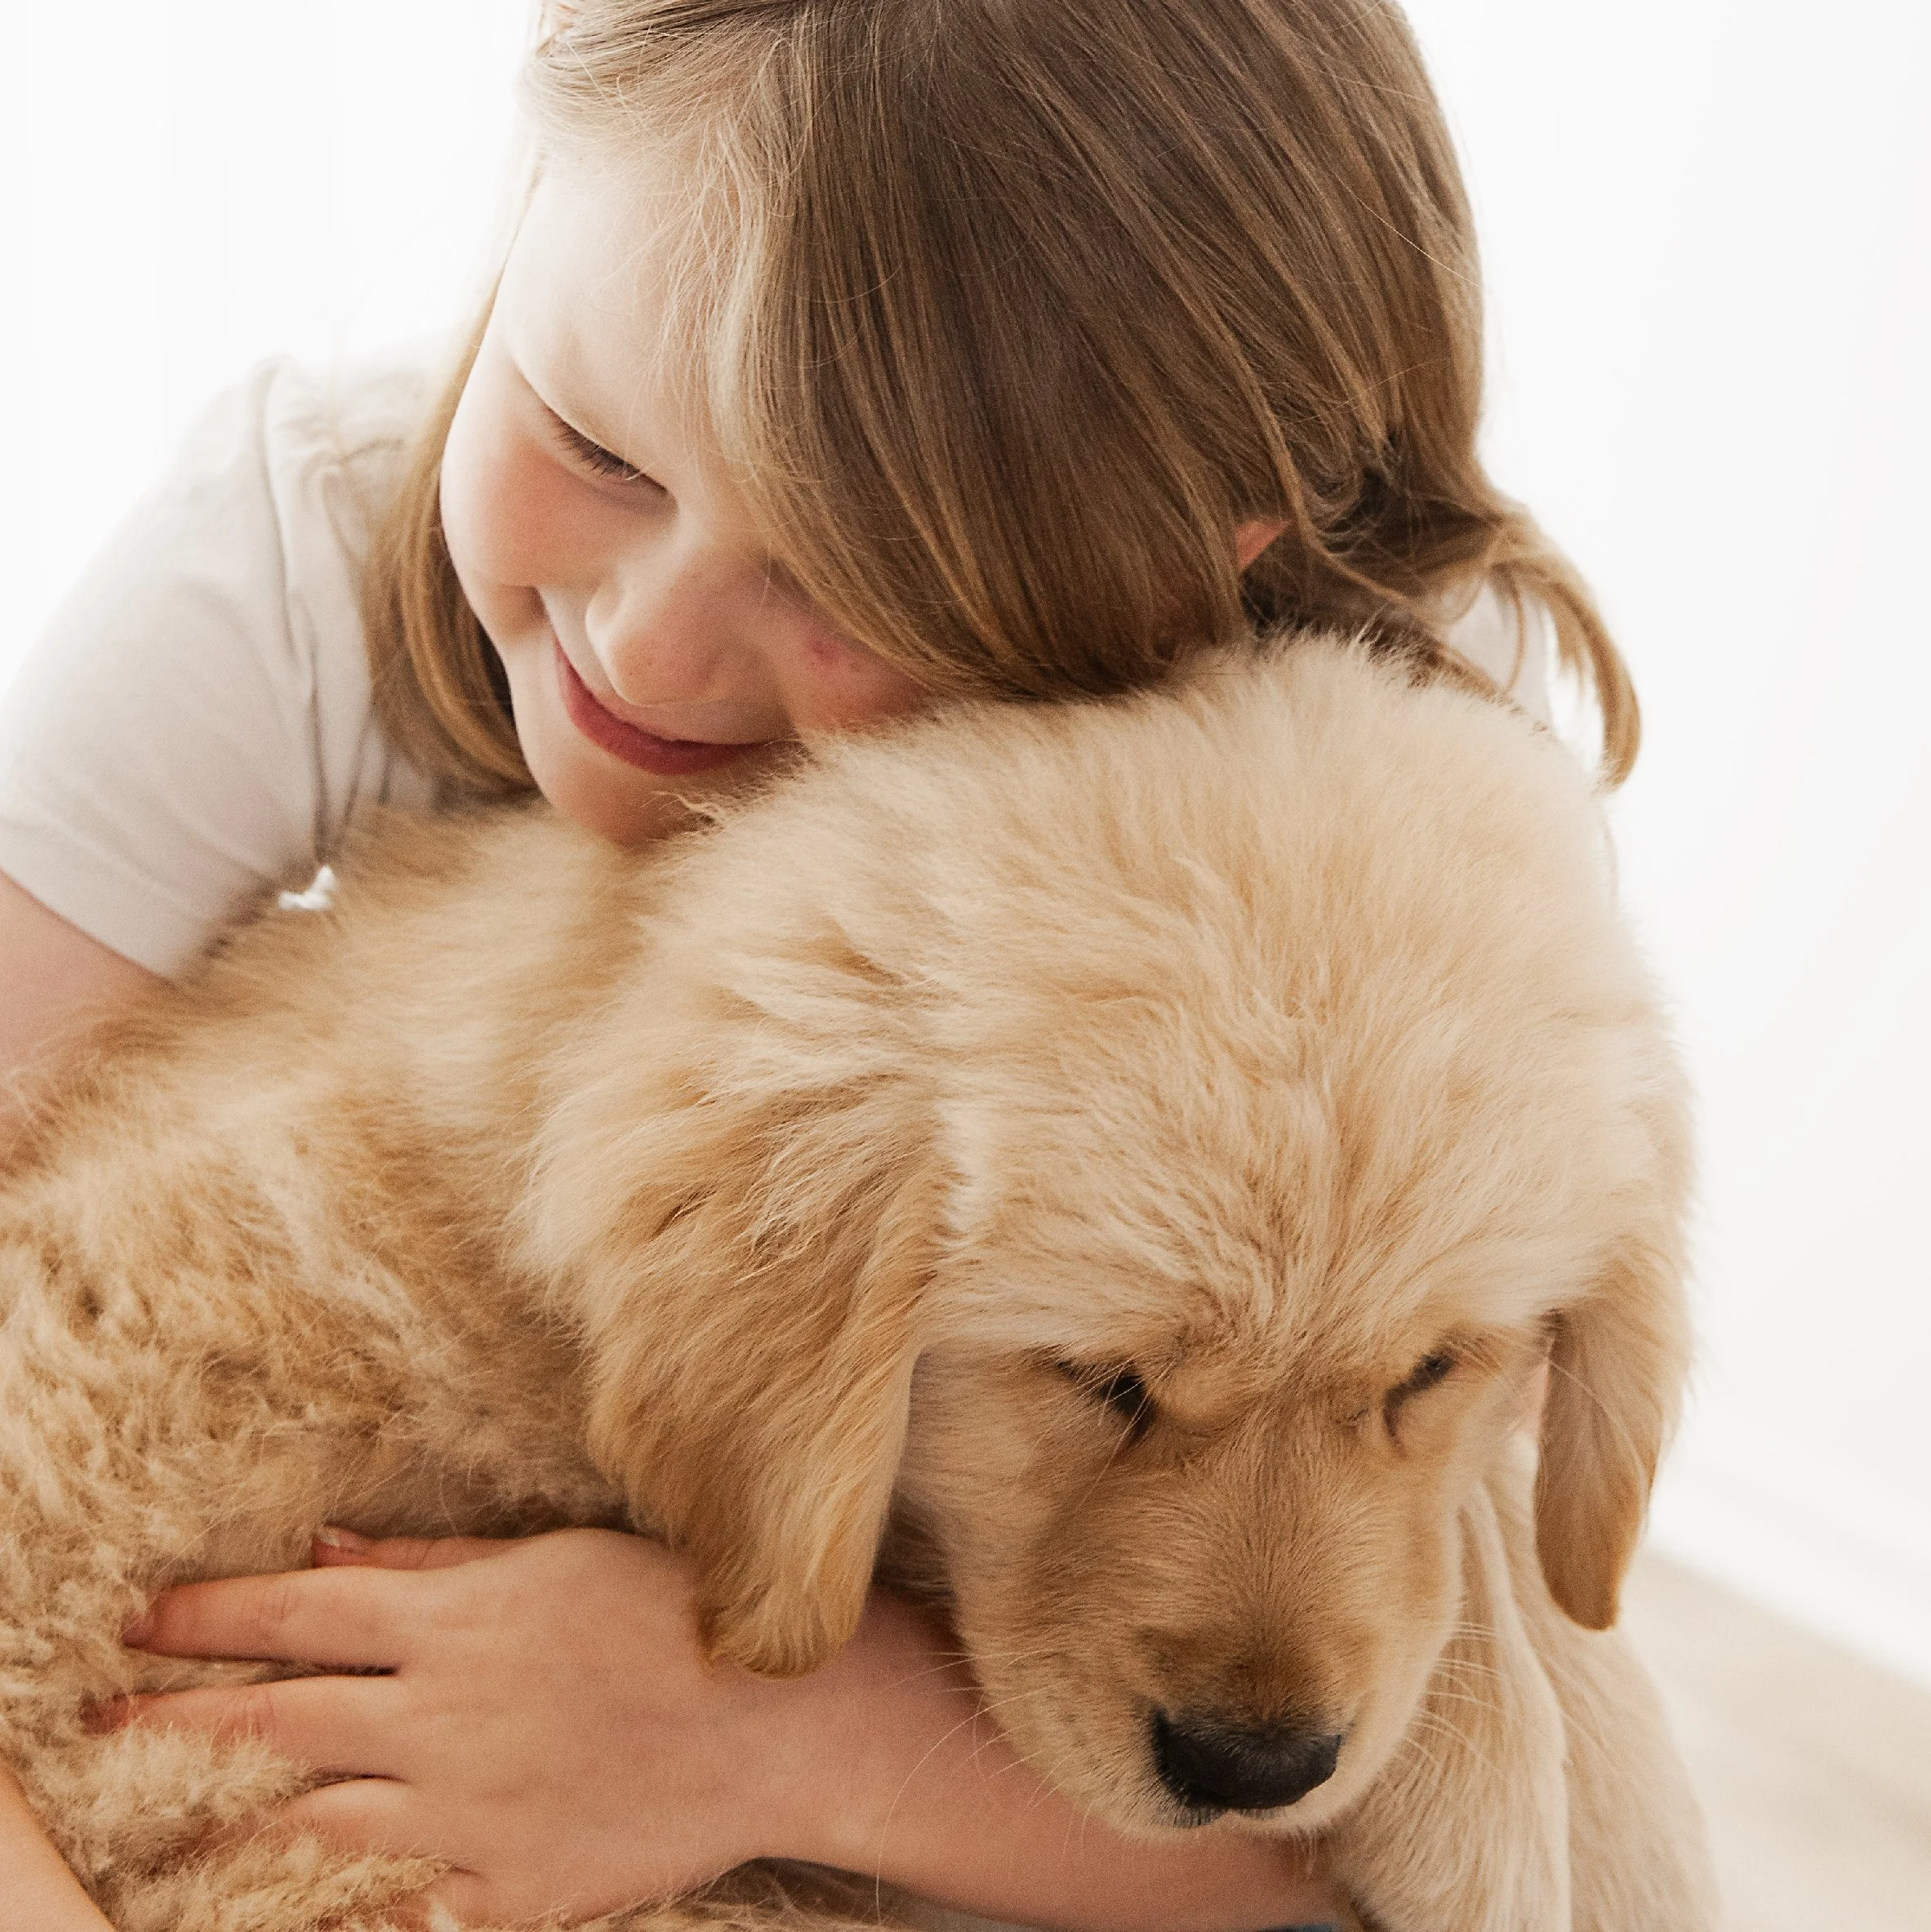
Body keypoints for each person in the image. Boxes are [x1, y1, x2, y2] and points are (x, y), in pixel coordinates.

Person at [0, 2, 1630, 1925]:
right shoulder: (294, 547)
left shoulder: (1410, 821)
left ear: (1204, 564)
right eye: (594, 440)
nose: (648, 646)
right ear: (516, 219)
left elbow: (1373, 1839)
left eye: (863, 571)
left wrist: (784, 1738)